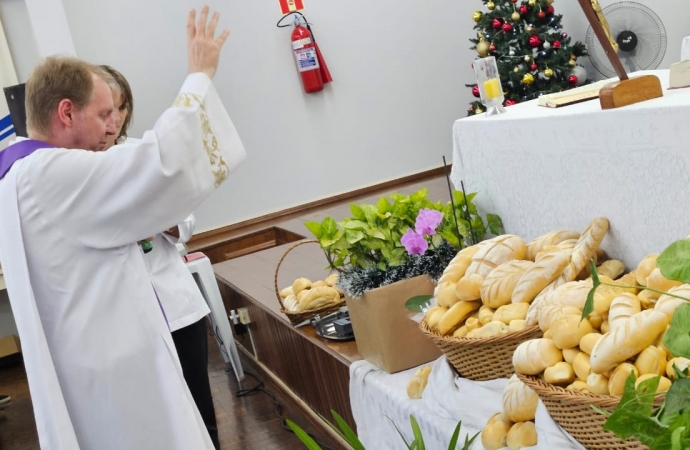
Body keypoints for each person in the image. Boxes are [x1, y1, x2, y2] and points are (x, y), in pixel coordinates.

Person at [0, 6, 245, 449]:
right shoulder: (50, 172)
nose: (112, 128)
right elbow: (160, 165)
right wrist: (199, 76)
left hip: (85, 360)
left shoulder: (15, 174)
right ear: (67, 112)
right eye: (103, 114)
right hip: (116, 370)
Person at [101, 64, 221, 449]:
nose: (114, 120)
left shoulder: (145, 154)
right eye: (105, 112)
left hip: (177, 305)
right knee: (156, 418)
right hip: (127, 317)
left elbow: (187, 219)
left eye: (120, 109)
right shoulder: (79, 168)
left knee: (199, 404)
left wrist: (163, 221)